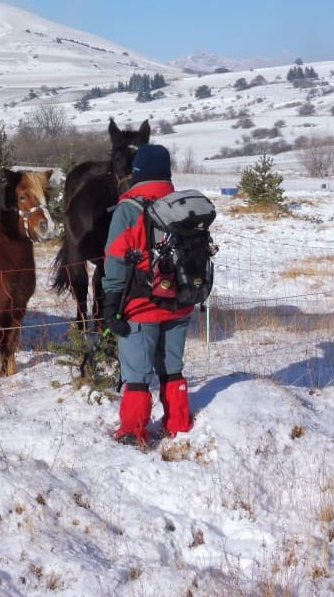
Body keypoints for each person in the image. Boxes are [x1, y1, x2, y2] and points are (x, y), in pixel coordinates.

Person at [100, 143, 193, 446]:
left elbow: (115, 259)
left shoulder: (128, 210)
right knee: (172, 369)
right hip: (180, 304)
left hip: (141, 305)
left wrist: (111, 302)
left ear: (137, 173)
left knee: (137, 375)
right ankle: (178, 424)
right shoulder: (183, 207)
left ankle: (132, 431)